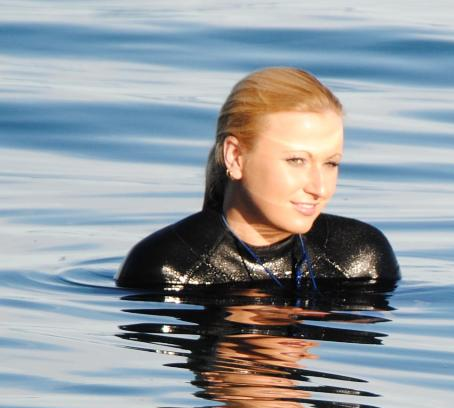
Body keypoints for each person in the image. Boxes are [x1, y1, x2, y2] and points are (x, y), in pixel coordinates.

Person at [117, 67, 399, 287]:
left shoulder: (360, 257)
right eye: (296, 160)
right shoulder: (167, 267)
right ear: (235, 157)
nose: (320, 188)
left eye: (331, 163)